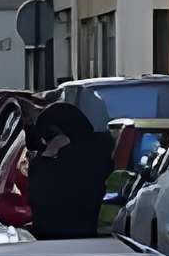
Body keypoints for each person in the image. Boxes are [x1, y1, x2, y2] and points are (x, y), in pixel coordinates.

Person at [23, 101, 111, 240]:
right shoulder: (100, 149)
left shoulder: (77, 162)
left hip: (60, 242)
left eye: (48, 139)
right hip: (91, 241)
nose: (45, 145)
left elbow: (40, 197)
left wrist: (49, 154)